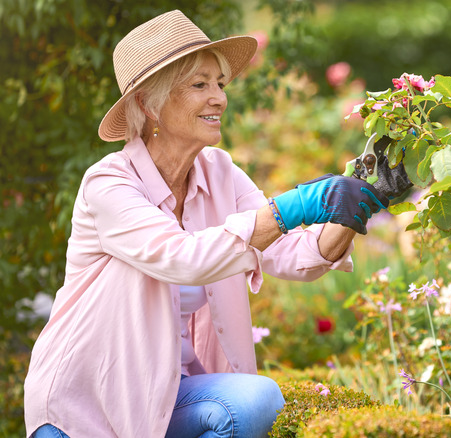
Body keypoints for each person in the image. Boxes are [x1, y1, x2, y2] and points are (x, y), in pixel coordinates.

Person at [24, 10, 388, 438]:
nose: (219, 98)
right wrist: (293, 207)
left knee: (255, 400)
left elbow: (293, 257)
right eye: (200, 84)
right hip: (83, 405)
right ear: (148, 103)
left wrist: (356, 202)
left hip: (161, 395)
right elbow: (184, 258)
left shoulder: (220, 171)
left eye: (220, 83)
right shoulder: (109, 183)